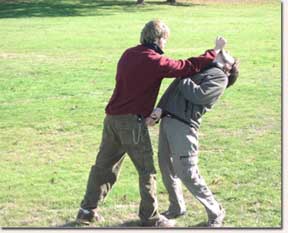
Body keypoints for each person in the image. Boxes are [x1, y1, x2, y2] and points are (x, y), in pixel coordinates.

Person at [76, 19, 227, 227]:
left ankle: (86, 211)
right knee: (147, 170)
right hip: (132, 122)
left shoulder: (128, 53)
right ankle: (151, 218)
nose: (166, 44)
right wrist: (213, 51)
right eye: (165, 39)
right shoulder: (154, 60)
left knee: (103, 167)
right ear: (158, 38)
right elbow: (186, 67)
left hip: (112, 119)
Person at [146, 50, 239, 227]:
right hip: (168, 121)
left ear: (229, 68)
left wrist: (183, 76)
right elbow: (172, 89)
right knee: (166, 167)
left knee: (187, 172)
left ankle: (216, 210)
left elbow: (199, 95)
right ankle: (176, 207)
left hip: (184, 127)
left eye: (230, 57)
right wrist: (160, 109)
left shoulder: (221, 78)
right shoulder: (203, 67)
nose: (225, 53)